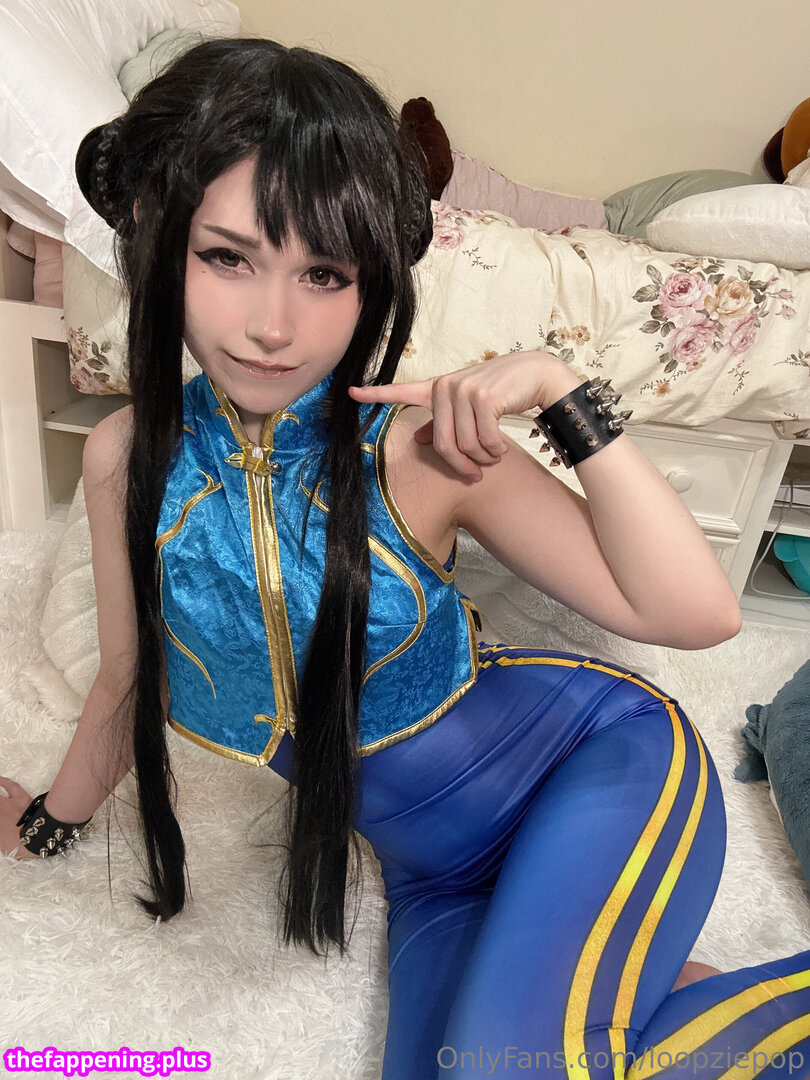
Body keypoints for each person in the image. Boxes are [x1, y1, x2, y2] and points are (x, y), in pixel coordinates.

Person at [2, 36, 810, 1080]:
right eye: (228, 257)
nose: (273, 324)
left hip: (593, 769)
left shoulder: (423, 450)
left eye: (324, 274)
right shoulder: (125, 460)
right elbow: (128, 675)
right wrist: (47, 823)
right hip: (435, 879)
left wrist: (561, 393)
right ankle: (639, 991)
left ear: (368, 284)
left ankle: (593, 986)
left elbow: (697, 615)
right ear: (160, 239)